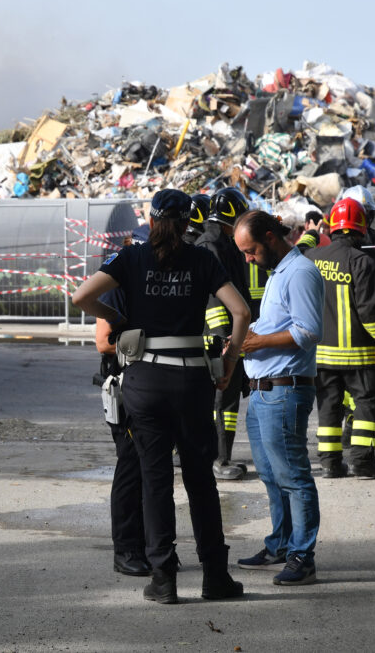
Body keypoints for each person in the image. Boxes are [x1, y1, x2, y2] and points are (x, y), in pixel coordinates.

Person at [72, 188, 250, 604]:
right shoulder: (203, 259)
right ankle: (215, 576)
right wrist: (229, 360)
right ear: (190, 223)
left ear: (150, 221)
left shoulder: (131, 257)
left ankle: (164, 578)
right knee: (200, 479)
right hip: (191, 383)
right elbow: (240, 313)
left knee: (155, 481)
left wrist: (117, 318)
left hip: (145, 382)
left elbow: (82, 296)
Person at [232, 210, 324, 586]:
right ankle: (281, 543)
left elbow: (308, 331)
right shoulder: (277, 274)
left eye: (251, 250)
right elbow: (277, 325)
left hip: (284, 390)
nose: (248, 259)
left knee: (293, 477)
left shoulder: (300, 272)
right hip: (262, 391)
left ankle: (302, 554)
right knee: (272, 476)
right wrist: (250, 338)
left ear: (271, 237)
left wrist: (256, 341)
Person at [305, 197, 375, 480]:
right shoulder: (362, 262)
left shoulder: (312, 259)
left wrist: (310, 234)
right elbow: (372, 311)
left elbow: (293, 254)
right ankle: (362, 462)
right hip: (359, 355)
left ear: (332, 226)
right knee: (368, 402)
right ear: (362, 227)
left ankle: (330, 464)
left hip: (321, 356)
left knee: (329, 407)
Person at [94, 229, 149, 578]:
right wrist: (154, 344)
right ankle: (126, 549)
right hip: (126, 386)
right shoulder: (115, 281)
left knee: (149, 472)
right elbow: (103, 341)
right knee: (131, 467)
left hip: (151, 384)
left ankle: (148, 546)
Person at [194, 187, 250, 481]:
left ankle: (222, 455)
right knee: (219, 400)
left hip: (231, 337)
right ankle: (217, 459)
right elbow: (213, 300)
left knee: (228, 402)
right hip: (217, 340)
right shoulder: (211, 244)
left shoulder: (224, 242)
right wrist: (225, 337)